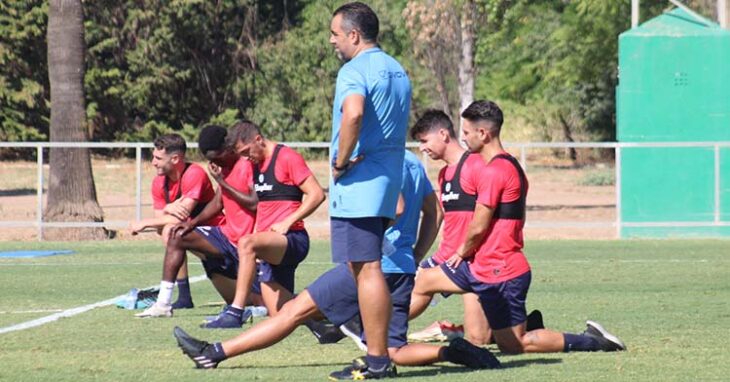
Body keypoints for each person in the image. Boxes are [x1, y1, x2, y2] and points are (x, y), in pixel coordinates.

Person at [171, 150, 502, 377]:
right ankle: (452, 353)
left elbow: (398, 207)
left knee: (292, 312)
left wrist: (373, 240)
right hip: (400, 269)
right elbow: (434, 212)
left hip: (372, 265)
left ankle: (213, 353)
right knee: (392, 350)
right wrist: (414, 254)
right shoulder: (411, 160)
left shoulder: (377, 158)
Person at [409, 100, 626, 355]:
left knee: (514, 345)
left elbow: (479, 225)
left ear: (483, 133)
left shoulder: (495, 170)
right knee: (424, 281)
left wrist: (458, 253)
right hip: (481, 266)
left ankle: (593, 341)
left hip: (500, 269)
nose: (464, 138)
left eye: (467, 133)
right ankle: (379, 333)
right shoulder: (500, 166)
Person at [407, 110, 545, 345]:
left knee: (477, 336)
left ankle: (376, 330)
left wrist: (459, 254)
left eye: (424, 141)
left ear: (442, 134)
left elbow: (482, 220)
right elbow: (451, 221)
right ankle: (523, 326)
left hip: (473, 261)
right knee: (478, 336)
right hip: (457, 260)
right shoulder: (444, 174)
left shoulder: (477, 166)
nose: (422, 148)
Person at [328, 2, 411, 377]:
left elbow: (355, 113)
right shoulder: (397, 69)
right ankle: (376, 354)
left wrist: (341, 161)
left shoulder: (354, 70)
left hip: (359, 184)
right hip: (385, 181)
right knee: (365, 266)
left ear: (354, 35)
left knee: (367, 269)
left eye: (335, 33)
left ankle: (378, 361)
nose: (332, 41)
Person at [202, 120, 325, 328]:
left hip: (292, 238)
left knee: (247, 242)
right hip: (271, 244)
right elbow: (262, 208)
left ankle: (235, 312)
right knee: (282, 313)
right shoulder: (255, 164)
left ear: (258, 140)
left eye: (246, 151)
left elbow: (317, 194)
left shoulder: (287, 157)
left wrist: (288, 221)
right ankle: (344, 310)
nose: (245, 157)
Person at [135, 125, 258, 318]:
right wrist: (191, 224)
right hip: (224, 237)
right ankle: (163, 304)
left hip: (245, 244)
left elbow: (254, 204)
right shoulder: (224, 168)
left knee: (263, 305)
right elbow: (218, 202)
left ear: (227, 149)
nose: (213, 163)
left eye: (215, 157)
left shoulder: (247, 165)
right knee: (176, 234)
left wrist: (222, 182)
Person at [129, 133, 224, 309]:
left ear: (174, 159)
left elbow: (180, 215)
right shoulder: (159, 183)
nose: (153, 162)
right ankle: (184, 297)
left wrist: (144, 223)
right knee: (169, 232)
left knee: (252, 302)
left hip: (219, 238)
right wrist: (168, 209)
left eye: (158, 158)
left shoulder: (194, 174)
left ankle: (181, 298)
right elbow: (162, 221)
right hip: (194, 240)